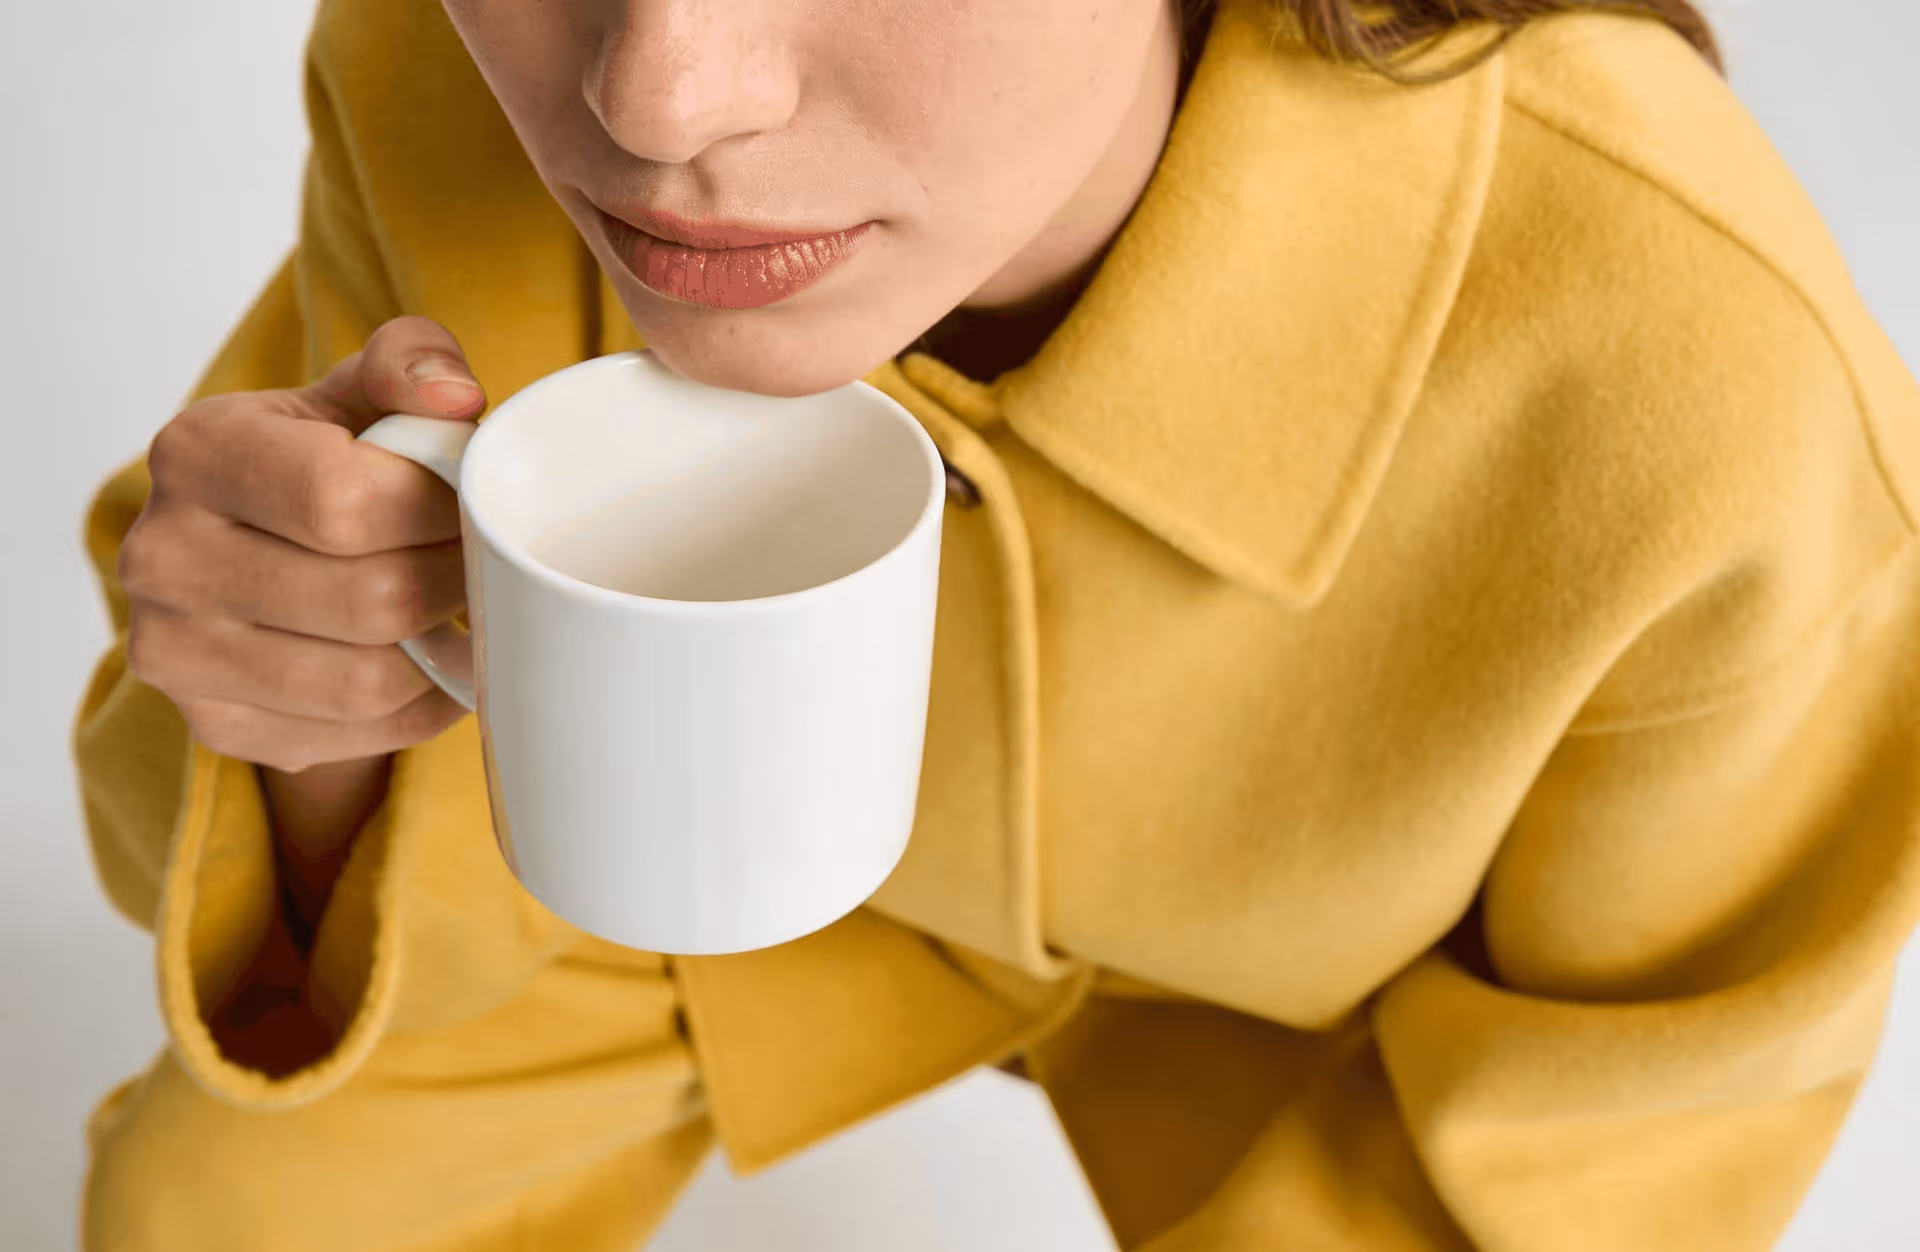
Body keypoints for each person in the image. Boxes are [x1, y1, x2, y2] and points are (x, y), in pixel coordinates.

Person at [71, 0, 1920, 1247]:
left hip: (1335, 1016)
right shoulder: (430, 71)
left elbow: (1636, 1135)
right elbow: (224, 874)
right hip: (691, 927)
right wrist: (299, 739)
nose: (655, 96)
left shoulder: (1709, 374)